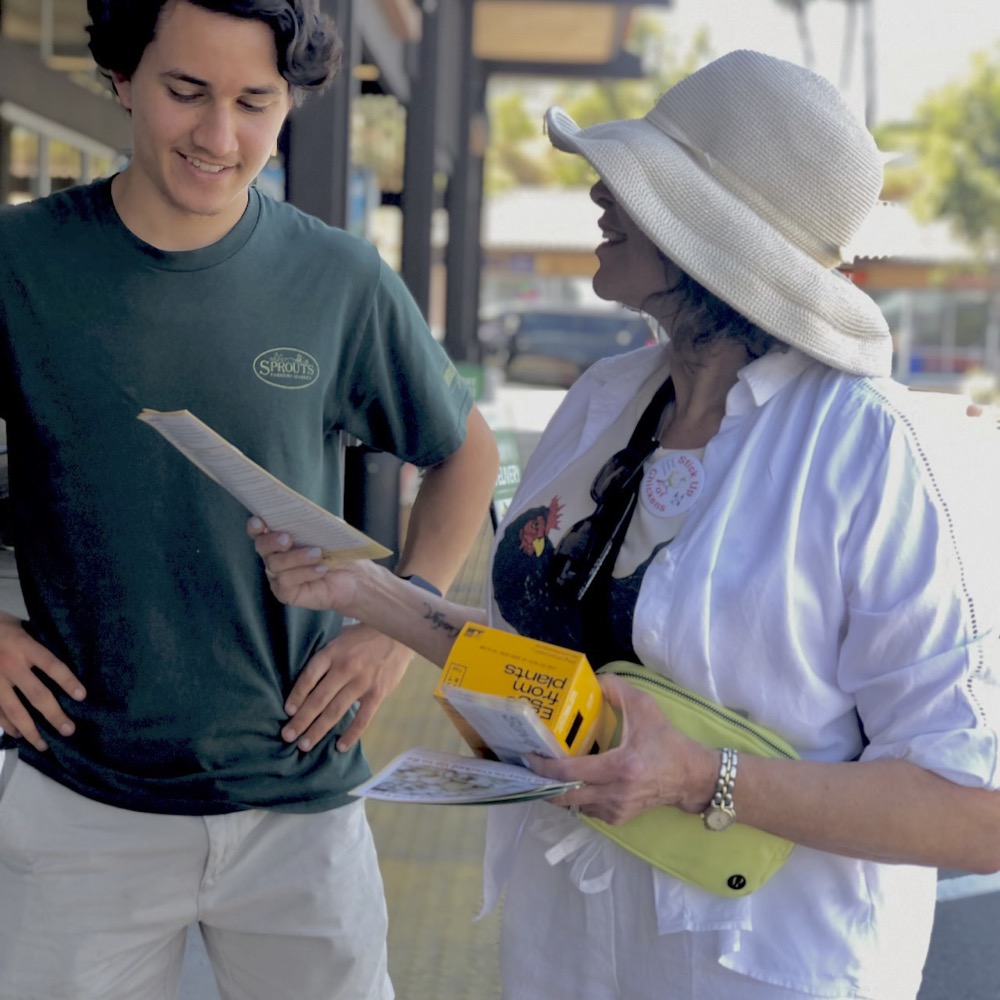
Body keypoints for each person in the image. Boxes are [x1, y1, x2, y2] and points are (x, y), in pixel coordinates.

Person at [252, 49, 1000, 1000]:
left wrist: (700, 778)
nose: (602, 192)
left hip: (761, 970)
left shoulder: (870, 453)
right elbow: (547, 668)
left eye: (639, 182)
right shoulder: (607, 401)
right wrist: (363, 590)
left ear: (706, 238)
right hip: (567, 951)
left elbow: (975, 810)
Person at [0, 0, 498, 997]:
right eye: (186, 92)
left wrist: (395, 621)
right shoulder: (23, 264)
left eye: (254, 102)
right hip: (78, 799)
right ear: (124, 79)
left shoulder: (340, 277)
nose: (219, 137)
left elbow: (466, 456)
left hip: (300, 802)